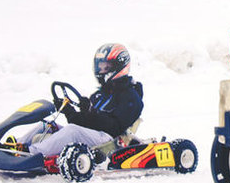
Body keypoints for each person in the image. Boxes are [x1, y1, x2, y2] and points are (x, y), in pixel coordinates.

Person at [12, 43, 144, 157]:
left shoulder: (131, 97)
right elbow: (83, 124)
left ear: (119, 67)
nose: (101, 71)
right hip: (94, 135)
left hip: (109, 141)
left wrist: (91, 113)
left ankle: (31, 153)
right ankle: (16, 145)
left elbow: (115, 128)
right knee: (47, 125)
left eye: (106, 68)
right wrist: (70, 112)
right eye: (100, 67)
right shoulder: (99, 95)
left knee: (72, 131)